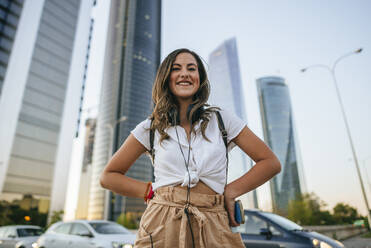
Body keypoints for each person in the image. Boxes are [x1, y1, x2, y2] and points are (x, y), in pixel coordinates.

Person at [100, 48, 281, 247]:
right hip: (162, 222)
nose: (184, 73)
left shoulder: (222, 119)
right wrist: (149, 191)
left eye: (191, 69)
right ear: (166, 78)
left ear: (199, 78)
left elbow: (270, 162)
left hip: (215, 220)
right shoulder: (150, 128)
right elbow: (109, 176)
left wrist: (231, 191)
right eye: (176, 69)